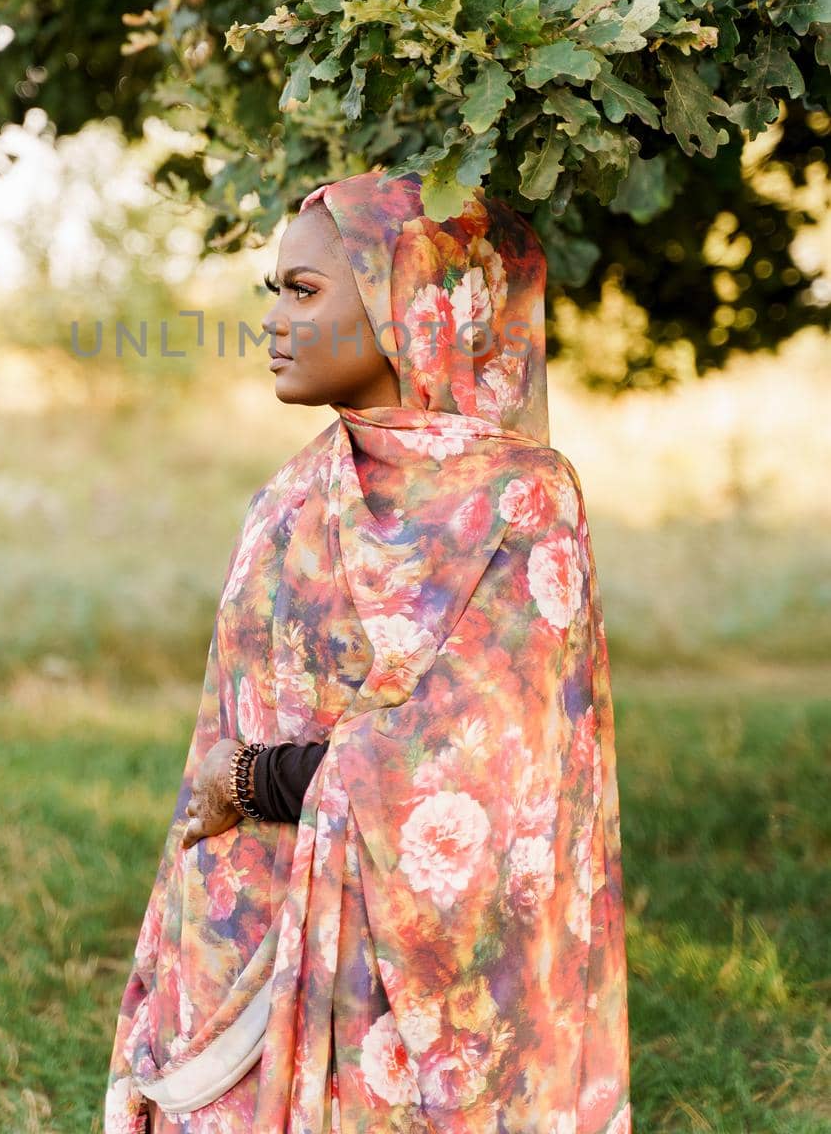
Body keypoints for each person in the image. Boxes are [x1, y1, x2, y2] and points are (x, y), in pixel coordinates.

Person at [105, 168, 631, 1134]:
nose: (271, 319)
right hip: (246, 917)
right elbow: (227, 730)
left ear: (408, 306)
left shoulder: (517, 496)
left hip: (418, 959)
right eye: (273, 291)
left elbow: (494, 767)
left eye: (302, 291)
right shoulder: (291, 493)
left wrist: (258, 778)